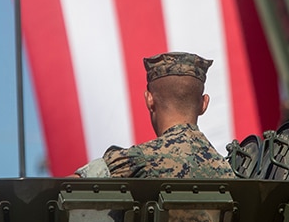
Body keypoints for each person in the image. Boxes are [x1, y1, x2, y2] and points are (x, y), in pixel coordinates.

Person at [74, 51, 234, 179]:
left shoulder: (135, 161)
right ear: (204, 104)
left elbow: (63, 189)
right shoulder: (228, 171)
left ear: (149, 99)